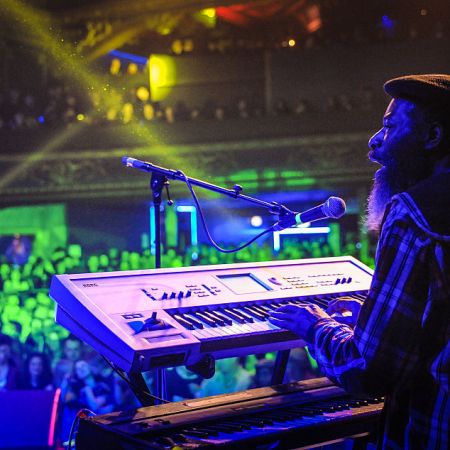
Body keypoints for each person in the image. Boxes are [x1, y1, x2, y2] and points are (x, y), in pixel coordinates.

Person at [269, 74, 450, 449]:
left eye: (389, 126)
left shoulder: (415, 212)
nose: (375, 140)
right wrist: (372, 318)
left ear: (433, 136)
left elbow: (369, 371)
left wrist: (315, 325)